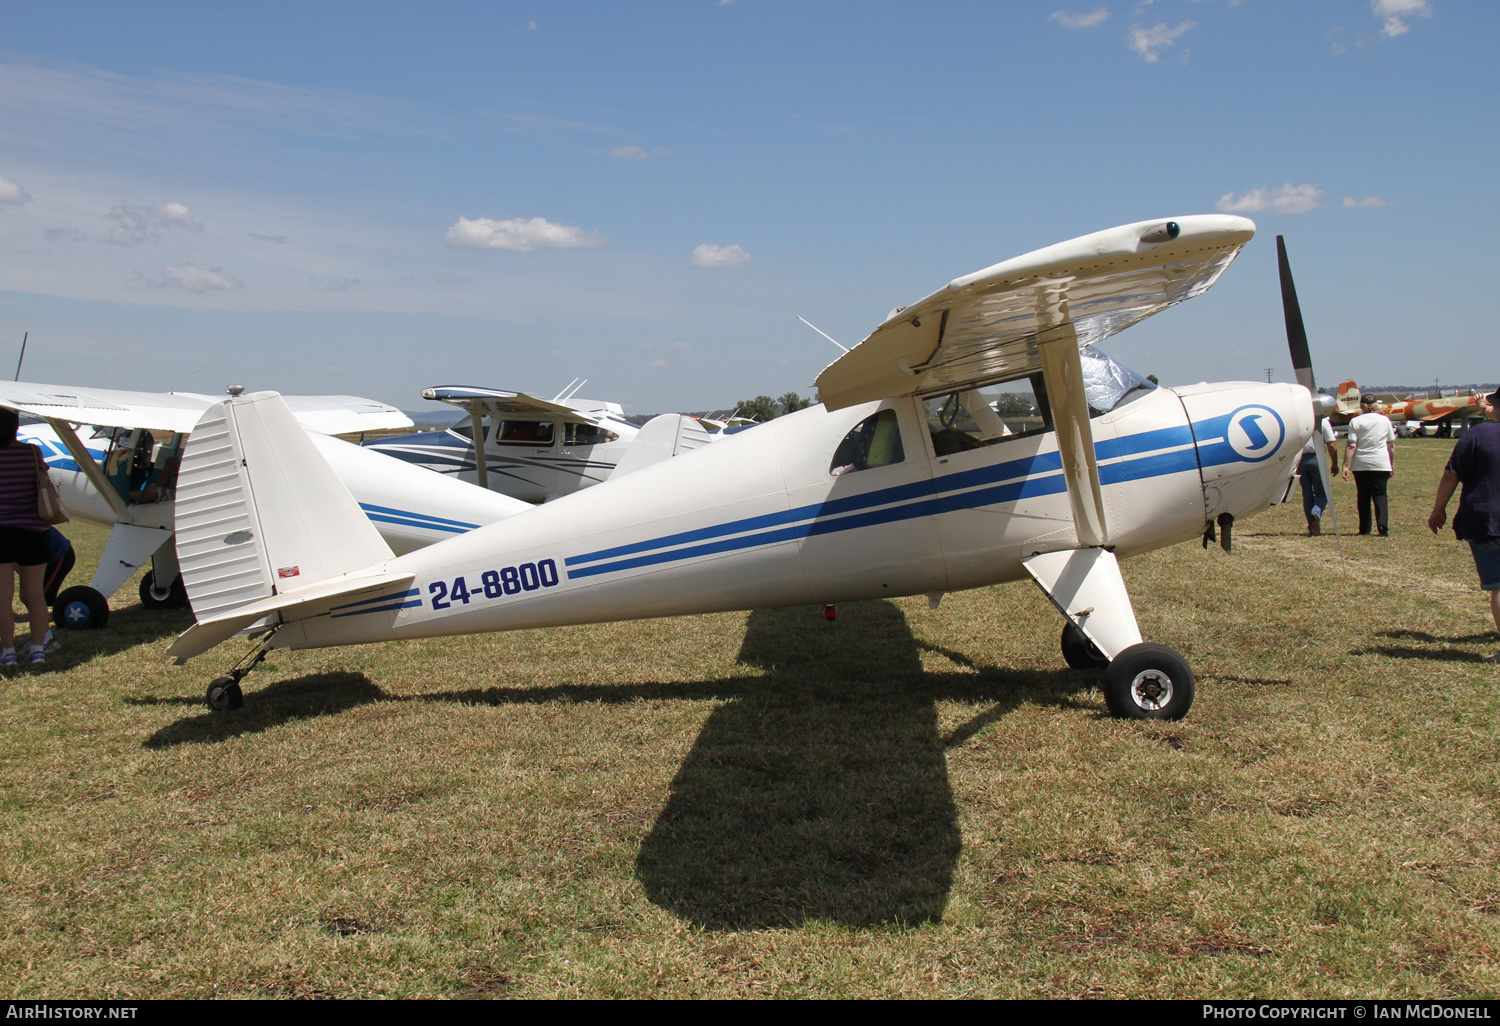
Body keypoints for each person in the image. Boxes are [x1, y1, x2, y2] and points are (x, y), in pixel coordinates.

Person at [1428, 386, 1500, 663]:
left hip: (1487, 518)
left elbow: (1451, 475)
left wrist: (1438, 510)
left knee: (1498, 585)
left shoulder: (1478, 435)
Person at [0, 408, 53, 666]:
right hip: (34, 530)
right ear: (15, 428)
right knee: (34, 593)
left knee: (2, 596)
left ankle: (8, 652)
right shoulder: (32, 452)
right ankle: (38, 649)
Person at [1343, 394, 1396, 536]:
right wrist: (1391, 463)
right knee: (1380, 495)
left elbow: (1351, 445)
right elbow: (1391, 445)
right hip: (1381, 462)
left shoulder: (1355, 421)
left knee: (1363, 496)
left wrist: (1345, 465)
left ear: (1361, 405)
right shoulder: (1385, 420)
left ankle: (1364, 528)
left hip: (1361, 464)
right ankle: (1383, 525)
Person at [1300, 416, 1339, 535]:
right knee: (1322, 492)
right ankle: (1316, 513)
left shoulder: (1300, 420)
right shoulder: (1323, 422)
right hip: (1317, 457)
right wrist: (1335, 463)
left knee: (1307, 494)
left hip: (1300, 459)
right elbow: (1331, 445)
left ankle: (1312, 526)